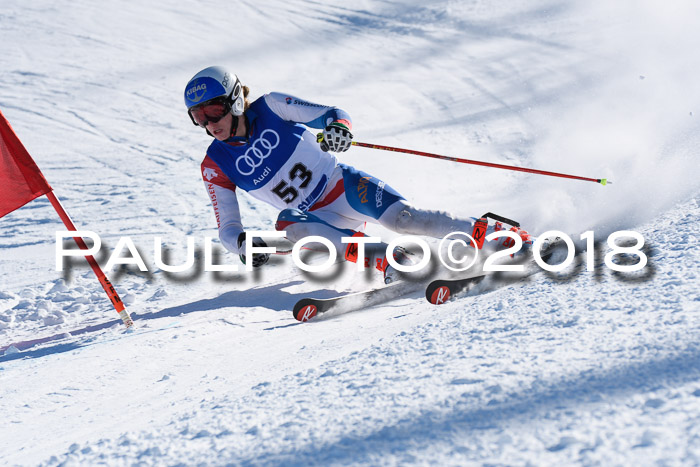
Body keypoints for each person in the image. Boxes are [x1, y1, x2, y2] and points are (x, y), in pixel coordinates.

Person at [184, 66, 534, 283]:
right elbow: (228, 229)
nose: (210, 124)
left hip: (342, 185)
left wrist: (338, 127)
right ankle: (394, 260)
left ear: (235, 101)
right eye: (199, 117)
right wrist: (242, 245)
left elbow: (331, 113)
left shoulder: (272, 106)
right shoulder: (214, 165)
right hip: (316, 218)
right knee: (287, 225)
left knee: (405, 219)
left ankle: (494, 234)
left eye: (214, 110)